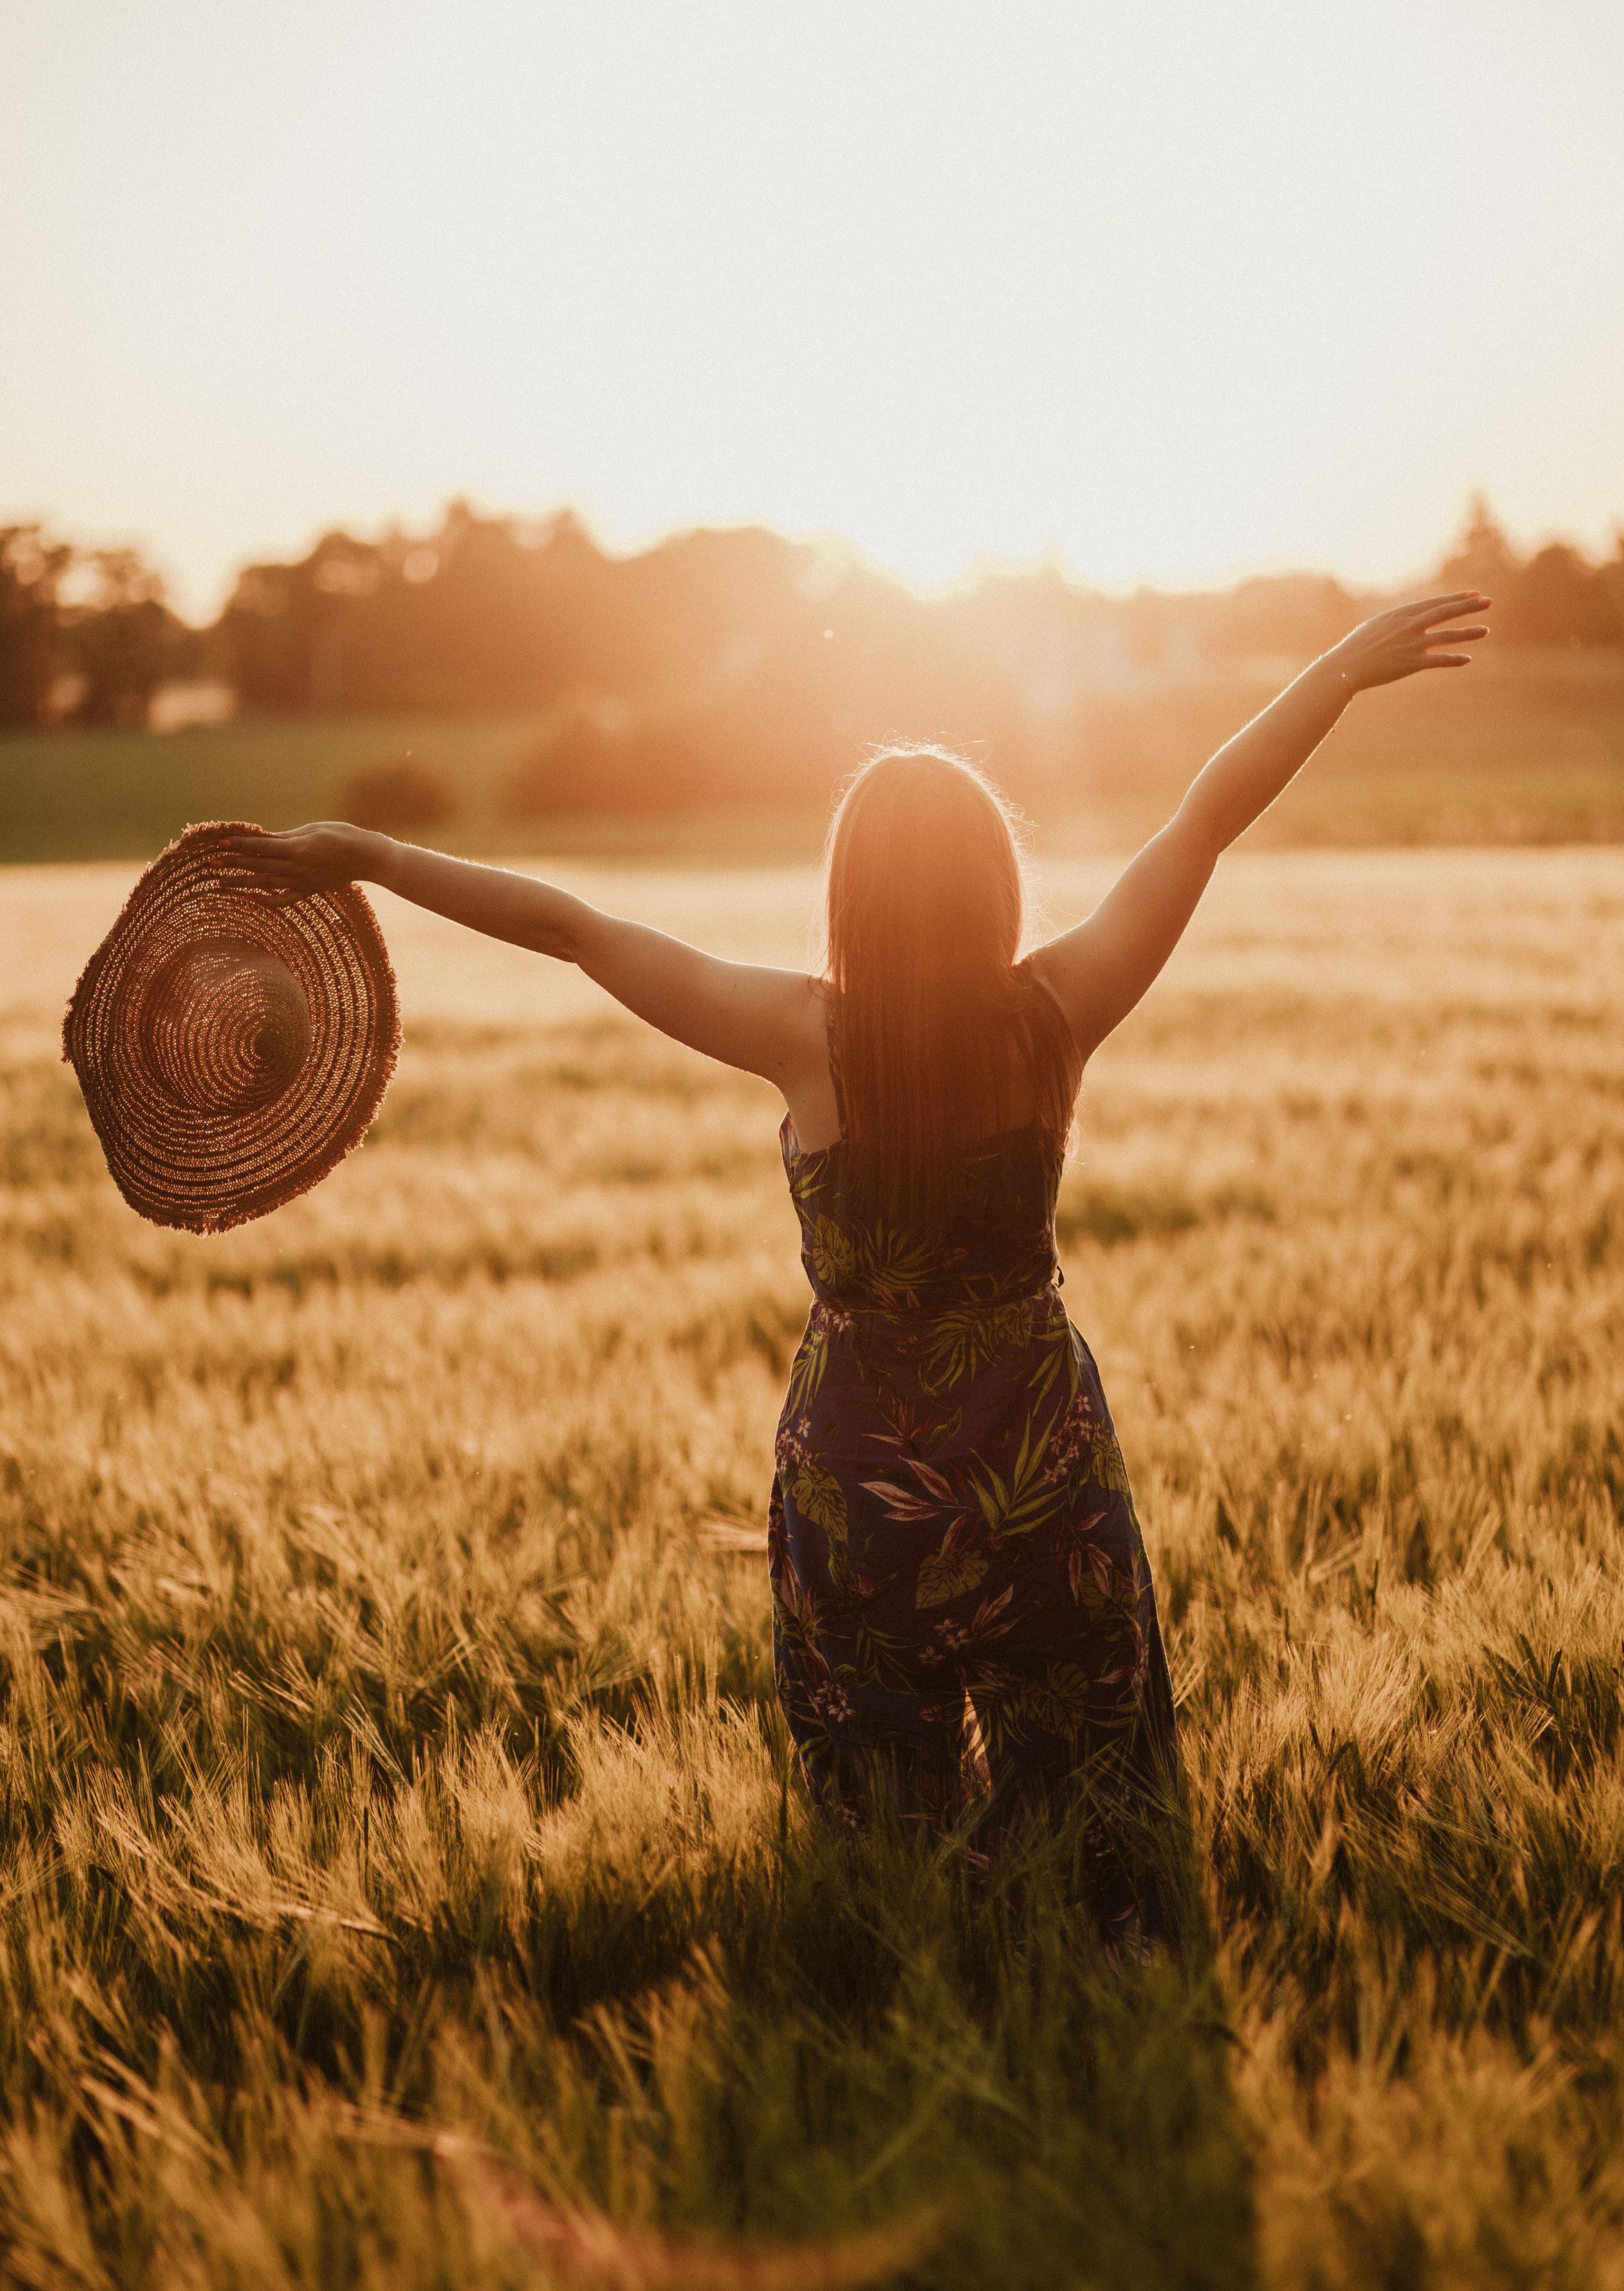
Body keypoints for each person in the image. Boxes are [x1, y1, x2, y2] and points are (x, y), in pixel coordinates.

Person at [221, 589, 1488, 1949]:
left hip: (855, 1496)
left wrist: (371, 853)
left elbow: (576, 929)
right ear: (995, 883)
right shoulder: (1057, 1014)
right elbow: (1205, 817)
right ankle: (1103, 2031)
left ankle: (896, 2017)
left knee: (883, 1842)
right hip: (1040, 1476)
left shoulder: (800, 1034)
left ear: (850, 898)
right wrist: (1338, 674)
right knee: (1097, 1818)